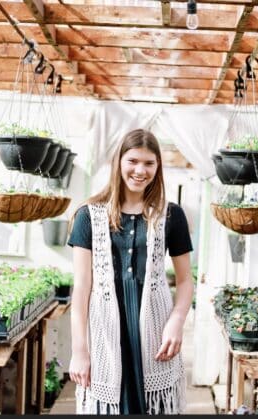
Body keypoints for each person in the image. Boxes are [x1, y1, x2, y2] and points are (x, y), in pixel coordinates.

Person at [68, 128, 194, 415]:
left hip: (154, 332)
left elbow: (186, 281)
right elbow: (82, 290)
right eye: (133, 161)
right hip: (107, 335)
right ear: (119, 162)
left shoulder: (171, 215)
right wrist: (80, 350)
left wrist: (177, 321)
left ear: (158, 167)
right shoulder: (88, 216)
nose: (140, 170)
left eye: (149, 163)